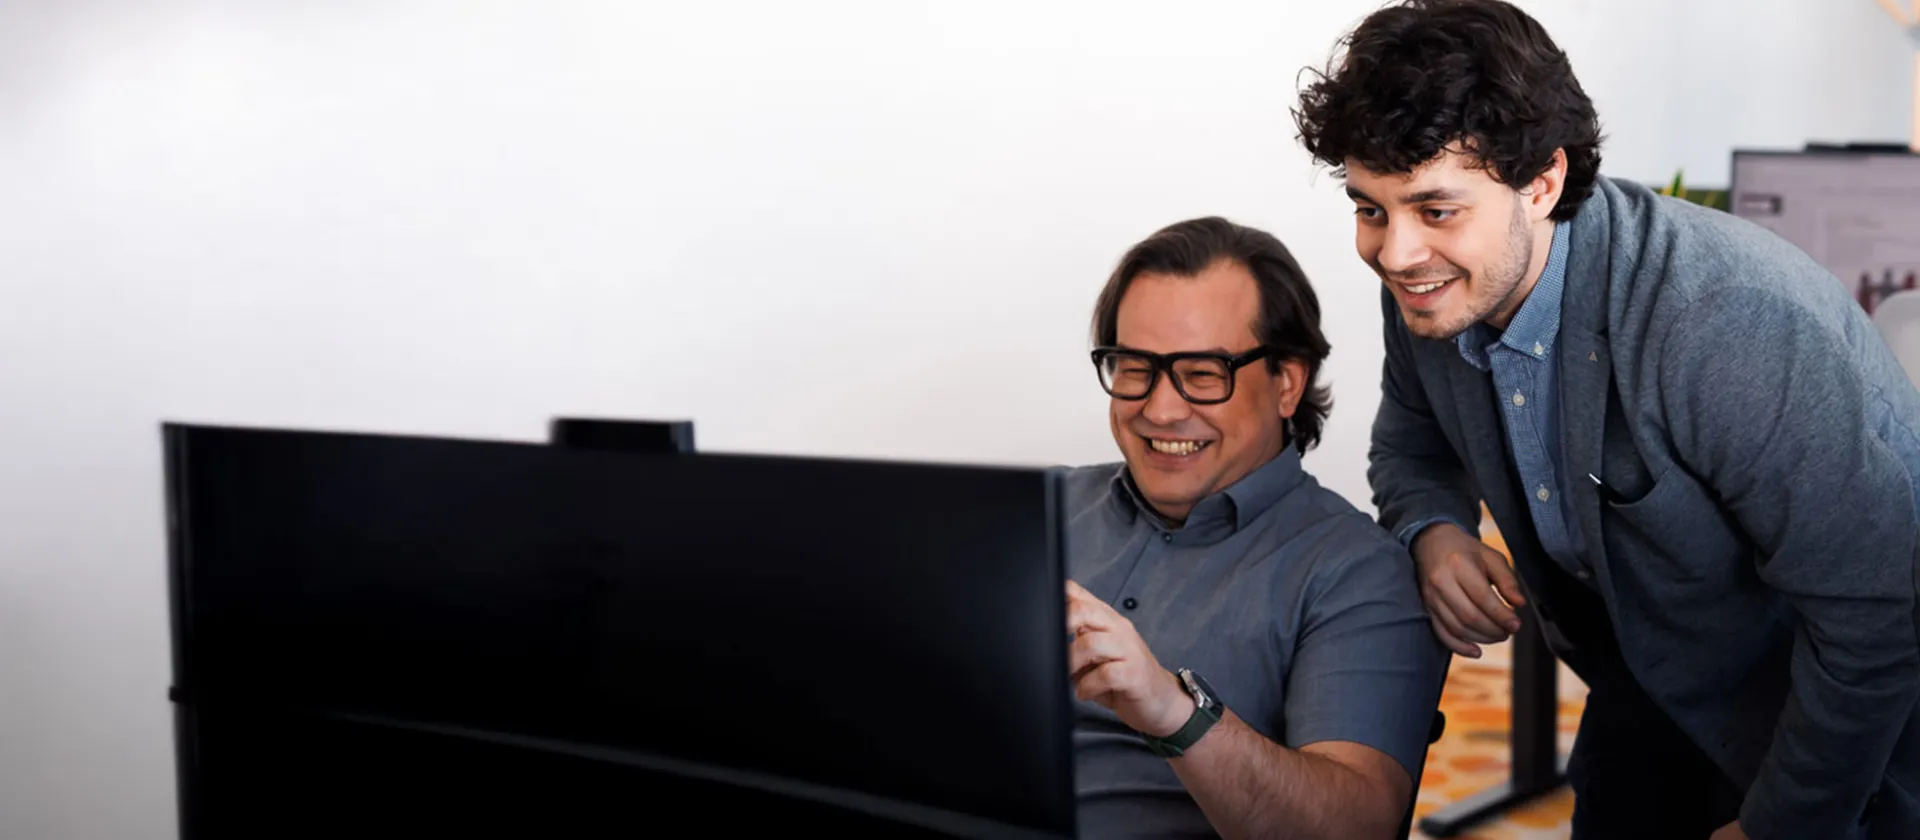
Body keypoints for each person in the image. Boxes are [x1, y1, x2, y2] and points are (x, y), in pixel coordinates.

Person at [1292, 2, 1920, 839]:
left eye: (1435, 209)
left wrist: (1783, 824)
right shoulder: (1434, 285)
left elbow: (1877, 621)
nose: (1396, 252)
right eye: (1371, 209)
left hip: (1849, 741)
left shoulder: (1725, 322)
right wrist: (1431, 529)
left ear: (1543, 182)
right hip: (1648, 693)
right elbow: (1410, 442)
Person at [1060, 216, 1447, 839]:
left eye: (1204, 373)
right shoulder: (1048, 502)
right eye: (1135, 366)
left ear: (1287, 383)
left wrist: (1172, 711)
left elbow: (1355, 826)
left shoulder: (1356, 571)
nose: (1160, 408)